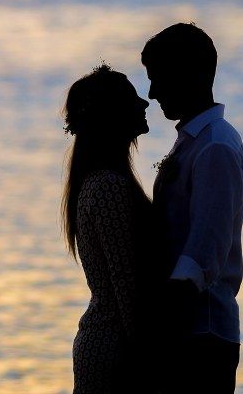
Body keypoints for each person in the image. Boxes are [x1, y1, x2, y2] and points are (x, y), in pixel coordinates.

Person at [142, 23, 243, 393]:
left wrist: (158, 324)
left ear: (192, 75)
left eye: (159, 78)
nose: (152, 93)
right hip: (190, 331)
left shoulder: (215, 147)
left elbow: (204, 253)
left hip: (200, 334)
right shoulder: (196, 141)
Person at [62, 64, 161, 393]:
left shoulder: (103, 182)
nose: (144, 104)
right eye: (133, 99)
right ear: (113, 115)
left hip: (111, 344)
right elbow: (125, 282)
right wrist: (150, 356)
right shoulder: (108, 187)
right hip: (115, 351)